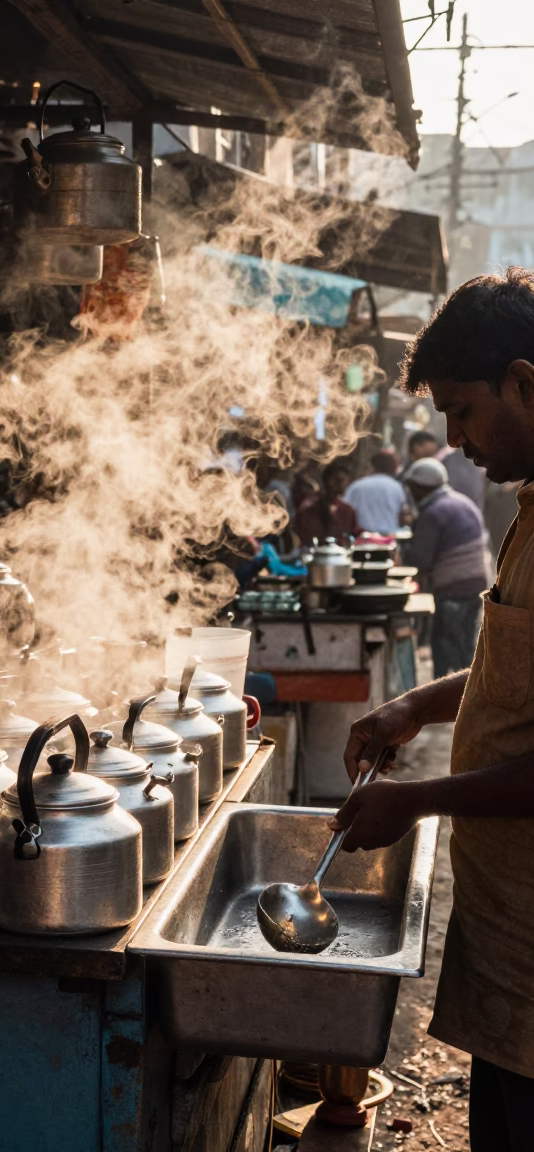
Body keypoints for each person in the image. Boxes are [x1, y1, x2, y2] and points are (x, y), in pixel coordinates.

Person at [332, 268, 534, 1151]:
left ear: (524, 383)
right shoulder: (528, 507)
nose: (454, 440)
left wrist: (413, 802)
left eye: (462, 411)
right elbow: (511, 671)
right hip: (509, 952)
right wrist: (413, 706)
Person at [403, 457, 491, 677]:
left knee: (445, 649)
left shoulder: (433, 512)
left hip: (454, 588)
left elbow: (419, 560)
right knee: (464, 648)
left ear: (422, 488)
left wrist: (401, 552)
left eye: (412, 488)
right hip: (476, 584)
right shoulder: (461, 501)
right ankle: (465, 691)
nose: (411, 493)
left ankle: (447, 694)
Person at [293, 459, 361, 544]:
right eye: (337, 480)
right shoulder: (309, 507)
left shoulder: (347, 510)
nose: (341, 484)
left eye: (344, 481)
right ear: (326, 481)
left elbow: (355, 534)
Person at [343, 449, 409, 535]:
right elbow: (402, 514)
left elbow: (344, 509)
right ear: (393, 468)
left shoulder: (357, 486)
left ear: (372, 466)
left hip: (362, 536)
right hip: (388, 536)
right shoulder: (396, 487)